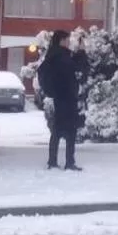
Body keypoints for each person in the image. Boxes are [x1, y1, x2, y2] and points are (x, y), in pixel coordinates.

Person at [38, 29, 85, 170]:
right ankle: (68, 162)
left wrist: (78, 55)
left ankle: (54, 161)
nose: (69, 41)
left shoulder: (55, 54)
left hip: (60, 97)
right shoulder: (60, 56)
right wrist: (81, 53)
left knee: (58, 130)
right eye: (67, 39)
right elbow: (74, 67)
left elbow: (71, 65)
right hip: (66, 97)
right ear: (61, 41)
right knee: (69, 130)